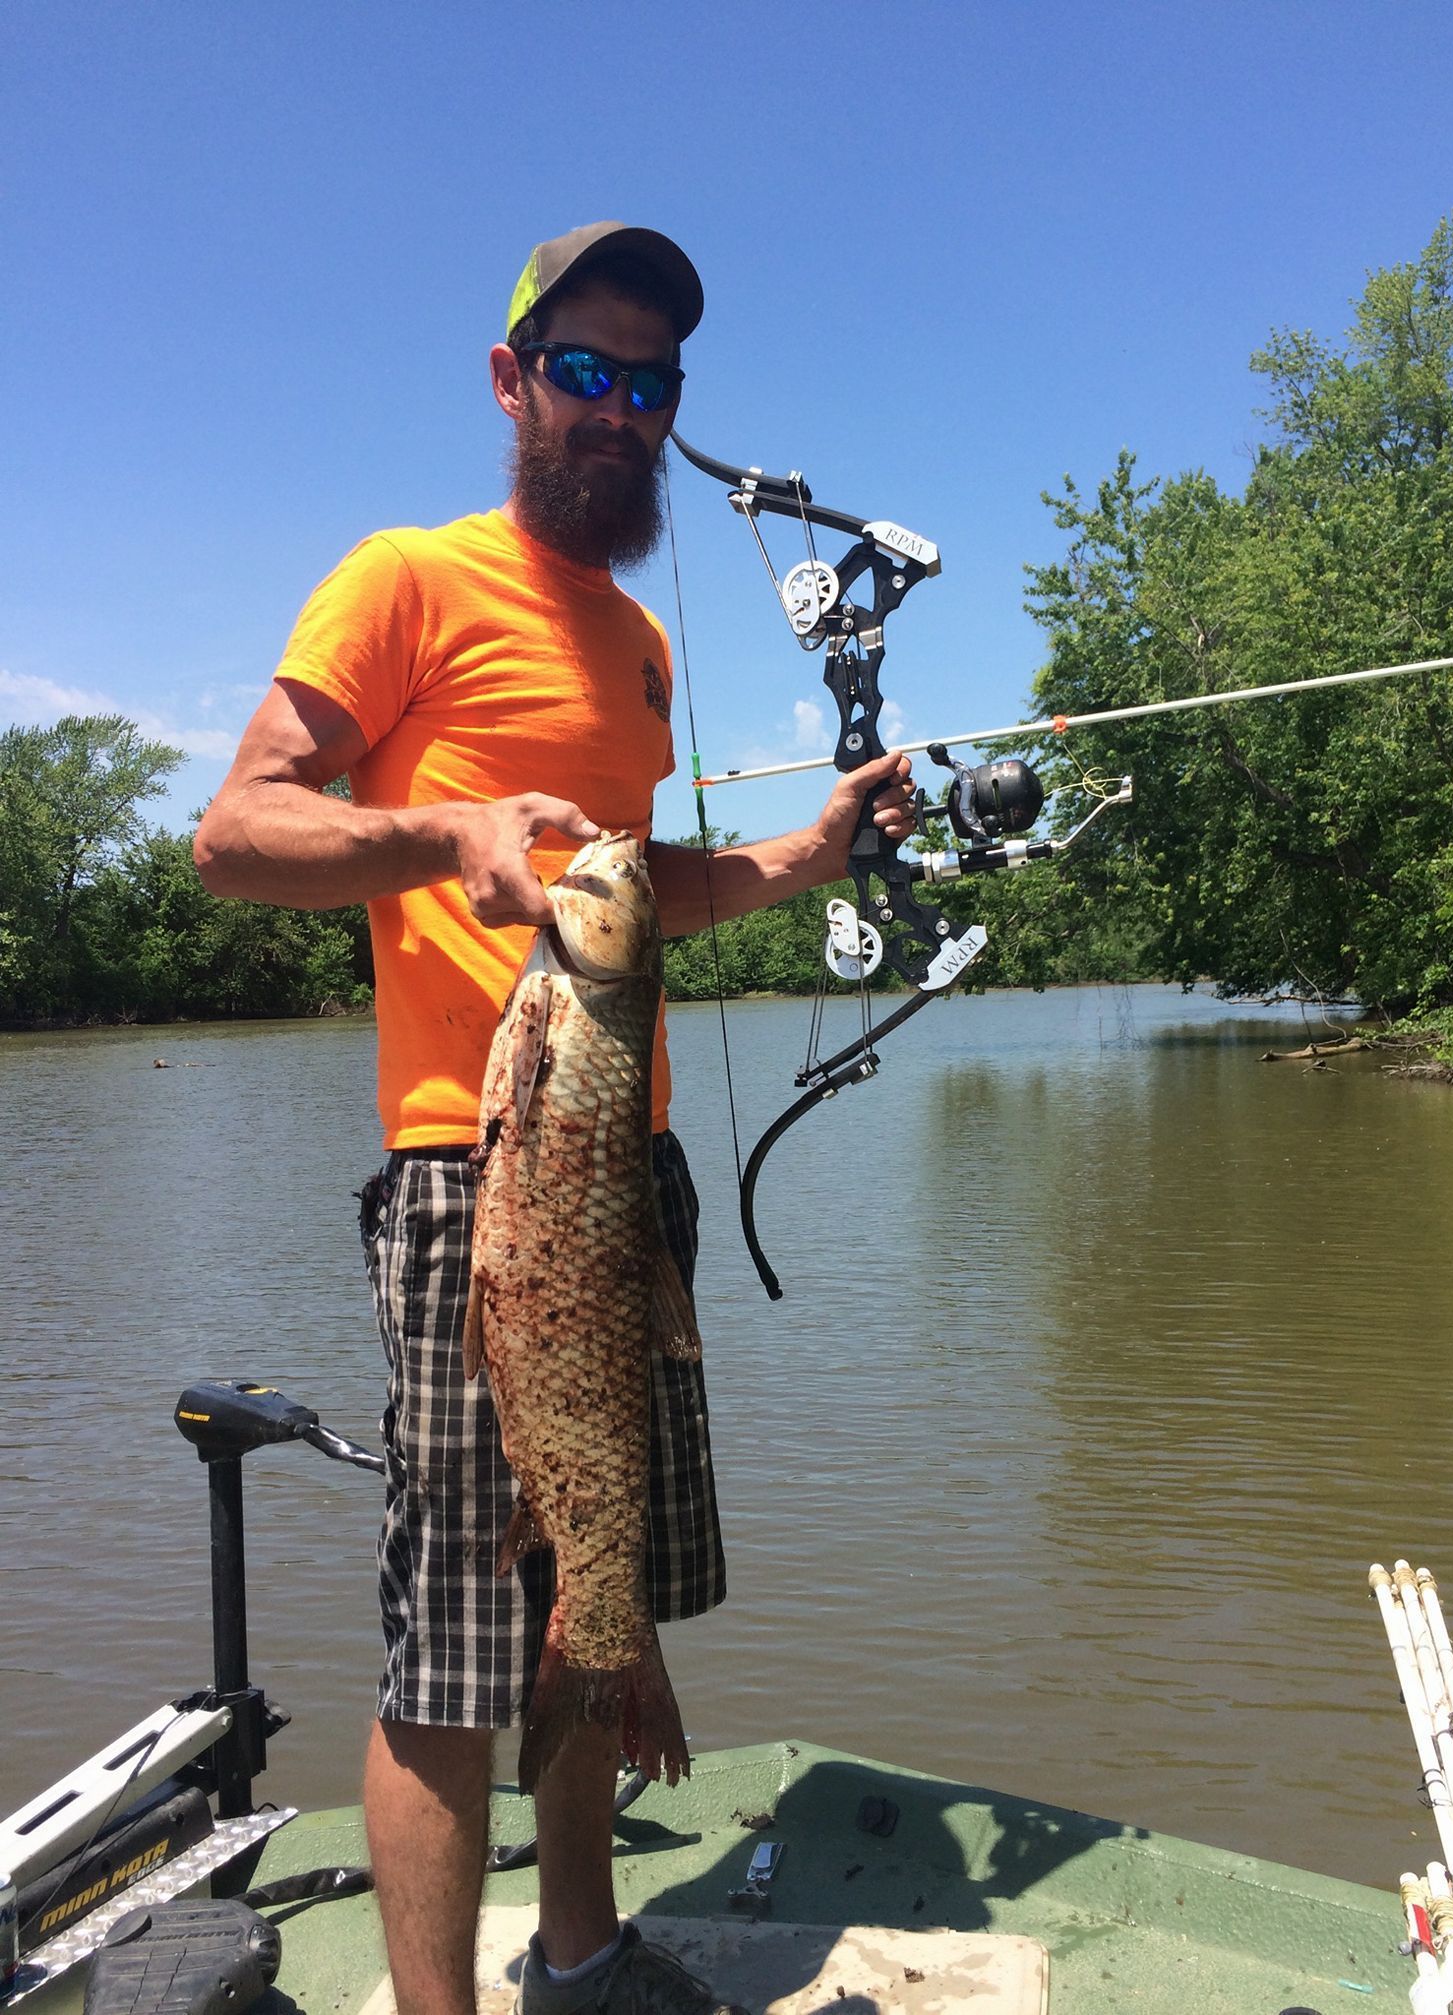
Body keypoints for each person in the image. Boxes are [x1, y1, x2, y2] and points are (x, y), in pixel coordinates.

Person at [195, 221, 916, 2015]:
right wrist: (444, 835)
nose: (618, 409)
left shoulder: (641, 644)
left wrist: (809, 852)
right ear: (513, 381)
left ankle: (583, 1948)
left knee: (603, 1590)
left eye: (650, 383)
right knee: (454, 1642)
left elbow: (639, 886)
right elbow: (234, 835)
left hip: (632, 1175)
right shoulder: (404, 581)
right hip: (474, 1179)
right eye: (582, 369)